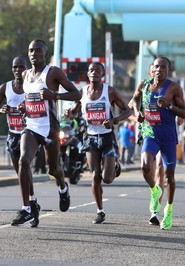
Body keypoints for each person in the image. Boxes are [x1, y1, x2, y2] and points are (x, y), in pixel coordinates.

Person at [12, 40, 81, 226]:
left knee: (53, 169)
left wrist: (55, 95)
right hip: (32, 126)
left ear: (45, 53)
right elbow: (29, 99)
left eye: (38, 50)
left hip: (50, 129)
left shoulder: (53, 72)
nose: (34, 53)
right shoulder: (25, 75)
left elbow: (77, 94)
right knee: (23, 161)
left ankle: (63, 187)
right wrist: (23, 106)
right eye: (31, 50)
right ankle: (27, 208)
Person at [65, 62, 132, 224]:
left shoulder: (110, 91)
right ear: (87, 75)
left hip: (107, 137)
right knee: (95, 175)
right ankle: (100, 211)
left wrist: (114, 120)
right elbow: (74, 113)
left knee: (107, 179)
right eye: (91, 70)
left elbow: (128, 111)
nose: (94, 72)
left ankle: (114, 166)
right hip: (90, 137)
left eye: (98, 70)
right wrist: (69, 114)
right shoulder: (81, 93)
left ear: (103, 74)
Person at [130, 56, 185, 230]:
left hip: (168, 136)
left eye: (163, 67)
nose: (159, 70)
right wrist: (137, 112)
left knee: (169, 176)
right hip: (150, 133)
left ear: (168, 70)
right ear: (152, 68)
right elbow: (133, 100)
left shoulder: (174, 88)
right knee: (145, 167)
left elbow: (184, 113)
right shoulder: (144, 84)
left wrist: (169, 106)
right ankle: (155, 190)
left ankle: (168, 210)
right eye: (156, 66)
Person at [0, 56, 42, 227]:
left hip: (30, 134)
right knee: (22, 172)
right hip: (13, 134)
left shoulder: (31, 86)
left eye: (21, 67)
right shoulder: (5, 88)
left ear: (27, 69)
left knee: (24, 166)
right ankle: (33, 203)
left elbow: (42, 103)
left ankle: (26, 207)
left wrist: (28, 107)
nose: (18, 70)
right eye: (15, 67)